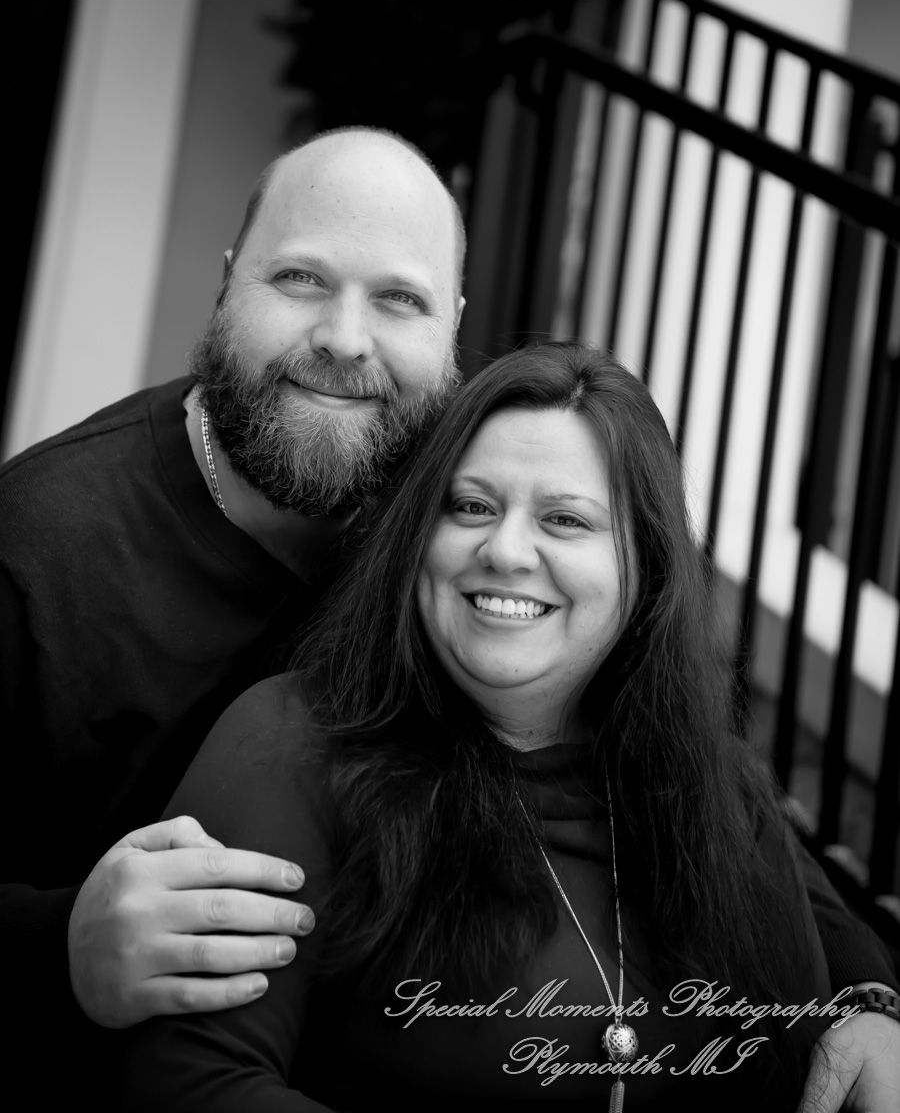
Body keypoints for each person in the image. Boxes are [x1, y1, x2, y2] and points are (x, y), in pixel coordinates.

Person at [0, 131, 895, 1108]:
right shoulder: (39, 547)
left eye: (399, 298)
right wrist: (58, 944)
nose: (346, 339)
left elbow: (716, 802)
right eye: (300, 278)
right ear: (227, 283)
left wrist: (864, 992)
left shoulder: (436, 470)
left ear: (452, 324)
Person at [120, 343, 897, 1111]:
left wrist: (875, 1003)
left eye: (564, 520)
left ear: (646, 569)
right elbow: (189, 1078)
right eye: (472, 507)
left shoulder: (714, 786)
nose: (506, 550)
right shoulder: (293, 746)